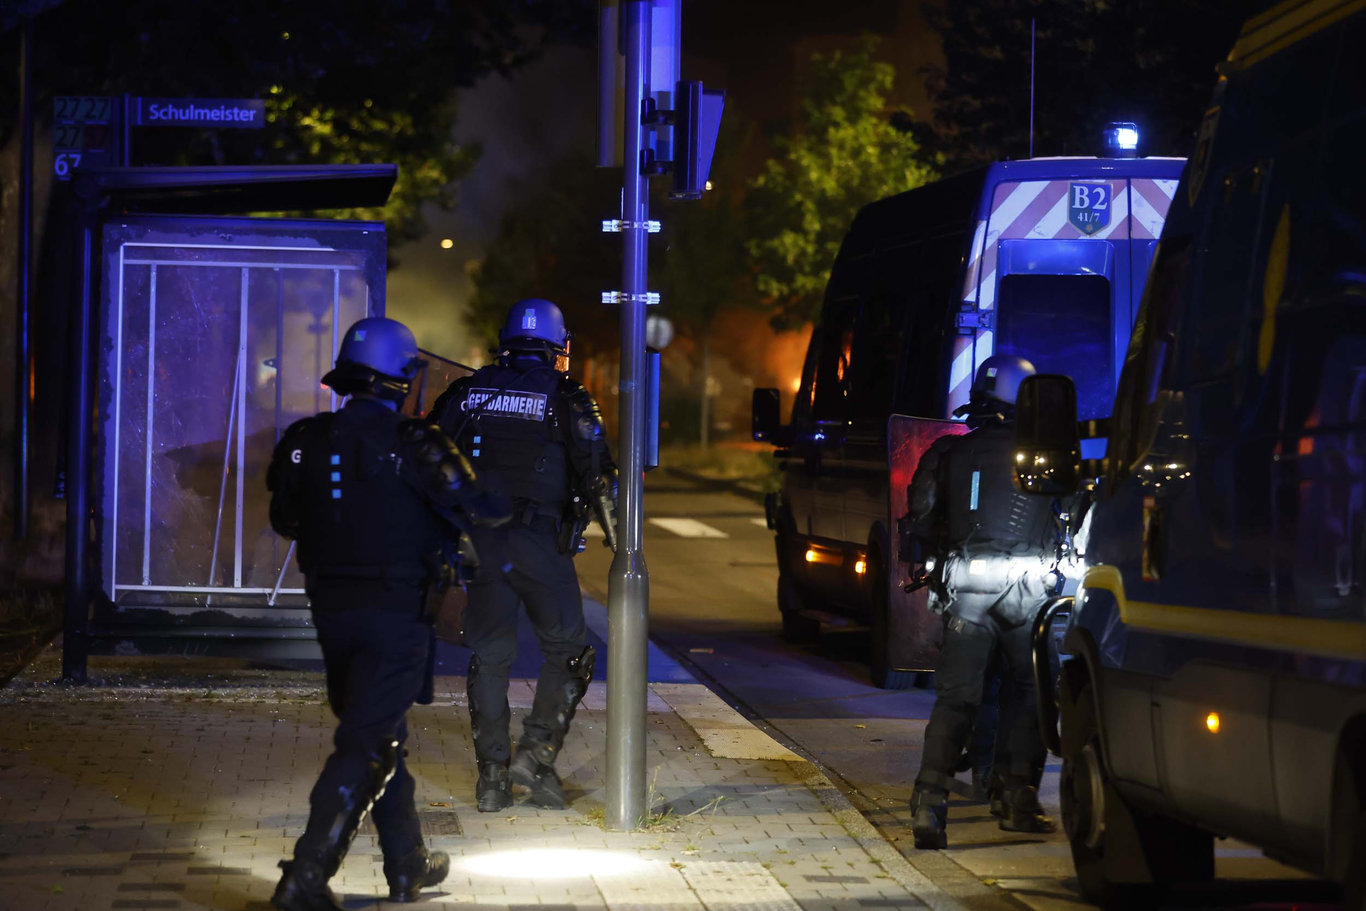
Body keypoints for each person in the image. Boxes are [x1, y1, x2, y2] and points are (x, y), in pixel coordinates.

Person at [267, 316, 510, 911]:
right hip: (397, 613)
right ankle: (304, 876)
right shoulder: (418, 444)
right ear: (402, 377)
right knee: (370, 741)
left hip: (331, 610)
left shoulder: (306, 438)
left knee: (378, 732)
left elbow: (285, 520)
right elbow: (482, 510)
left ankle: (407, 864)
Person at [429, 297, 617, 813]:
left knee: (490, 656)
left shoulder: (466, 393)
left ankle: (491, 778)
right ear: (558, 347)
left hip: (483, 546)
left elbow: (427, 460)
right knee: (568, 653)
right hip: (540, 546)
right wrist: (625, 553)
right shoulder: (568, 397)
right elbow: (601, 478)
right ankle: (534, 758)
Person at [901, 354, 1063, 849]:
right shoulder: (1046, 457)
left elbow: (920, 521)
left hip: (967, 592)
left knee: (957, 699)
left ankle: (930, 804)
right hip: (1029, 596)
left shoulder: (948, 454)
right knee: (1032, 694)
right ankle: (1016, 800)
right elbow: (1075, 515)